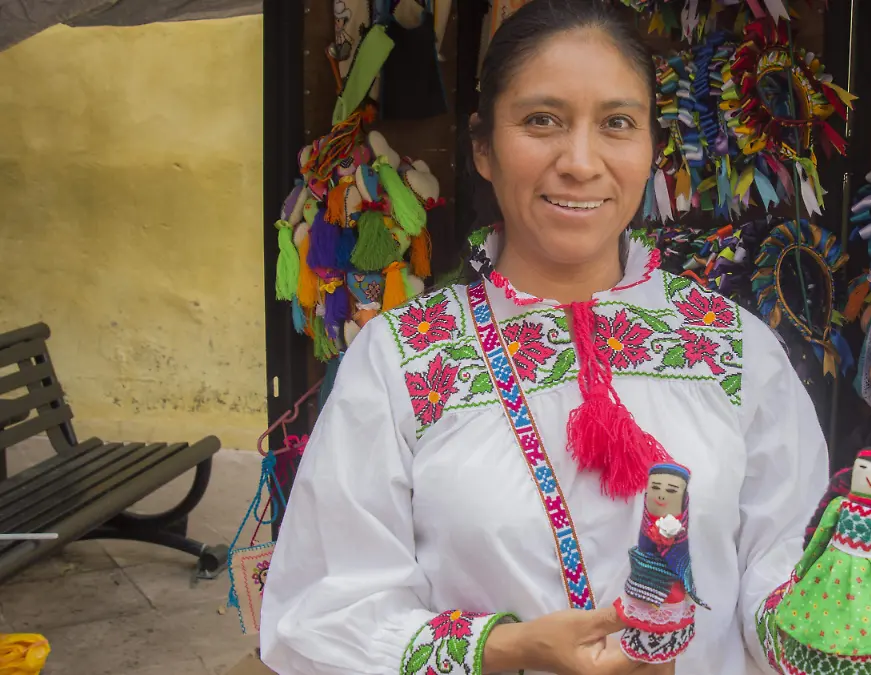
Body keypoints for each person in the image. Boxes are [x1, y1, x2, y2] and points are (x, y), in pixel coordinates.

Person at [259, 0, 828, 673]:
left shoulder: (733, 349)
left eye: (617, 123)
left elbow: (782, 556)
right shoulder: (402, 358)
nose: (581, 162)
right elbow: (322, 613)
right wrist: (504, 648)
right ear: (483, 150)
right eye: (542, 121)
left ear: (651, 148)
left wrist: (837, 634)